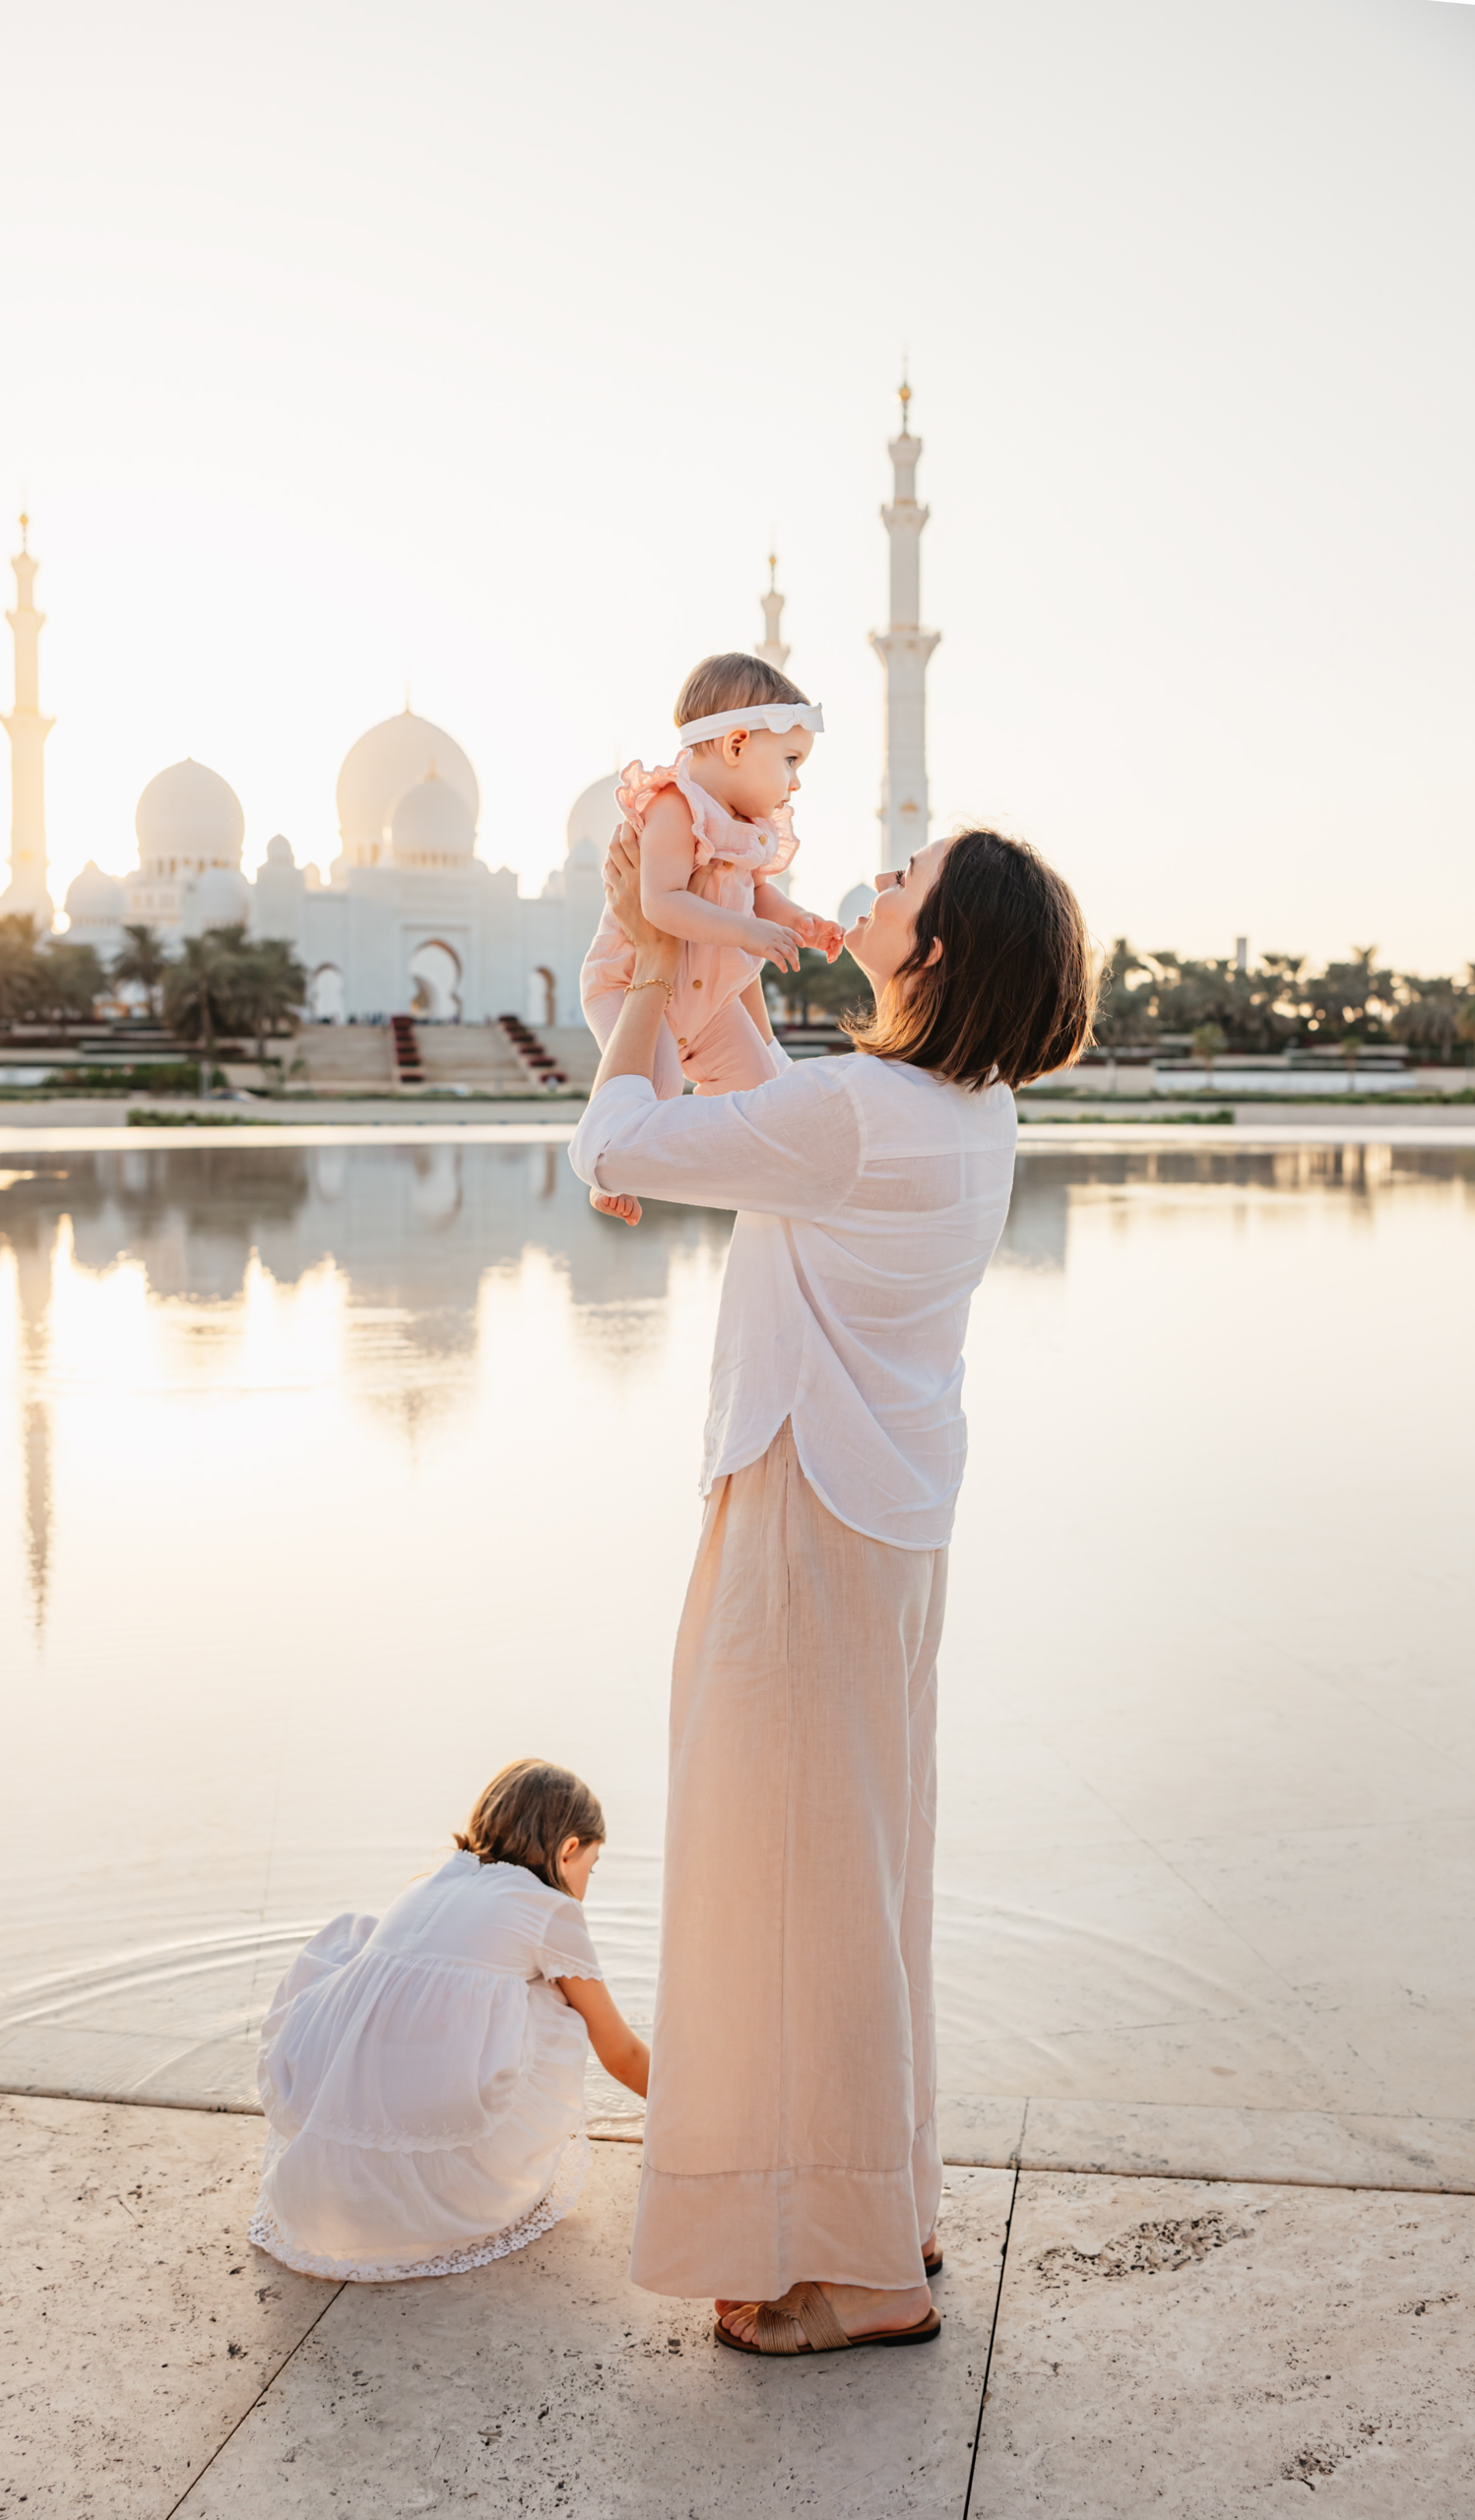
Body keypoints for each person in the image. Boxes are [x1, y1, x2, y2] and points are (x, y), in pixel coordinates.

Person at [570, 825, 1094, 2357]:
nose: (873, 879)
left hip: (806, 1516)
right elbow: (762, 1105)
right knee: (854, 1880)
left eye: (903, 880)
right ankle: (878, 2212)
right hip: (881, 1519)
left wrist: (647, 973)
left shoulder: (862, 1114)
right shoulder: (957, 1108)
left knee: (790, 1884)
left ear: (931, 950)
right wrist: (700, 949)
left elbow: (615, 1146)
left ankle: (866, 2273)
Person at [248, 1758, 649, 2282]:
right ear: (569, 1848)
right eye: (589, 1869)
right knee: (559, 2007)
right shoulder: (552, 1909)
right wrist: (695, 2114)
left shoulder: (432, 1881)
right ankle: (471, 2183)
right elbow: (619, 2051)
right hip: (436, 2177)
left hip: (329, 2152)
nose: (584, 1885)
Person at [578, 654, 845, 1203]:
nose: (795, 784)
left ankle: (753, 1184)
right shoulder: (676, 807)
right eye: (790, 761)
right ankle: (611, 1181)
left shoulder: (745, 828)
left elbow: (757, 893)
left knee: (763, 1092)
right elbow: (661, 904)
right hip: (632, 988)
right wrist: (749, 935)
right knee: (656, 1090)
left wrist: (799, 921)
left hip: (712, 1003)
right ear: (737, 745)